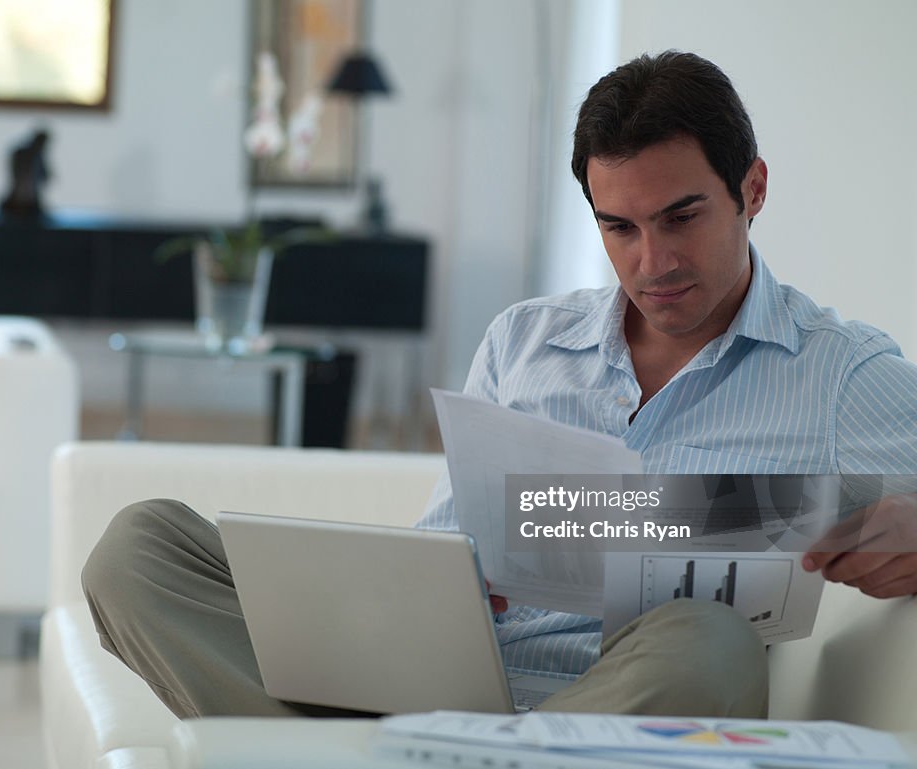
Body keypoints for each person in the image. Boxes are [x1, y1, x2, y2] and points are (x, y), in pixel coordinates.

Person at [82, 51, 917, 721]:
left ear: (752, 190)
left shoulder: (841, 371)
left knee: (710, 639)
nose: (650, 262)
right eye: (618, 227)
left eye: (682, 217)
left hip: (619, 703)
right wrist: (433, 582)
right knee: (139, 545)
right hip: (440, 688)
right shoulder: (523, 340)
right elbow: (444, 552)